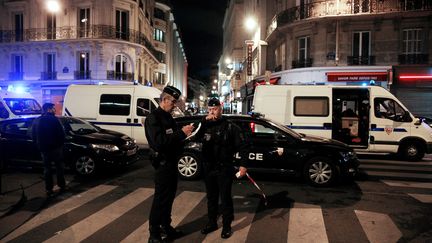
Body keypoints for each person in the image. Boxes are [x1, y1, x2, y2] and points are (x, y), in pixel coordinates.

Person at [144, 86, 194, 243]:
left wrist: (185, 138)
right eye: (173, 101)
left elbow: (173, 141)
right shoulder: (154, 118)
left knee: (169, 198)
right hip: (163, 165)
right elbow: (159, 143)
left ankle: (166, 226)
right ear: (164, 100)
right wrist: (181, 133)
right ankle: (154, 233)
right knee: (160, 199)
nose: (175, 105)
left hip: (171, 164)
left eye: (176, 101)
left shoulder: (168, 117)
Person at [196, 97, 248, 239]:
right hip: (209, 167)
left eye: (215, 109)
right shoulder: (205, 124)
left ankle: (226, 226)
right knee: (211, 197)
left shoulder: (230, 126)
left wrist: (243, 165)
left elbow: (243, 146)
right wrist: (203, 122)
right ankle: (212, 222)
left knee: (225, 198)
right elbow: (196, 137)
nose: (213, 112)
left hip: (224, 167)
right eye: (210, 109)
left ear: (221, 108)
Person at [31, 103, 66, 197]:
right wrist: (60, 145)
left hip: (44, 149)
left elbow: (32, 135)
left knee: (47, 169)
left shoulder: (37, 120)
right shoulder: (54, 120)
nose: (55, 110)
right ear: (49, 110)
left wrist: (39, 145)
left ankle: (49, 189)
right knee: (59, 167)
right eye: (53, 108)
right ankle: (61, 185)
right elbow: (61, 134)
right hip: (55, 148)